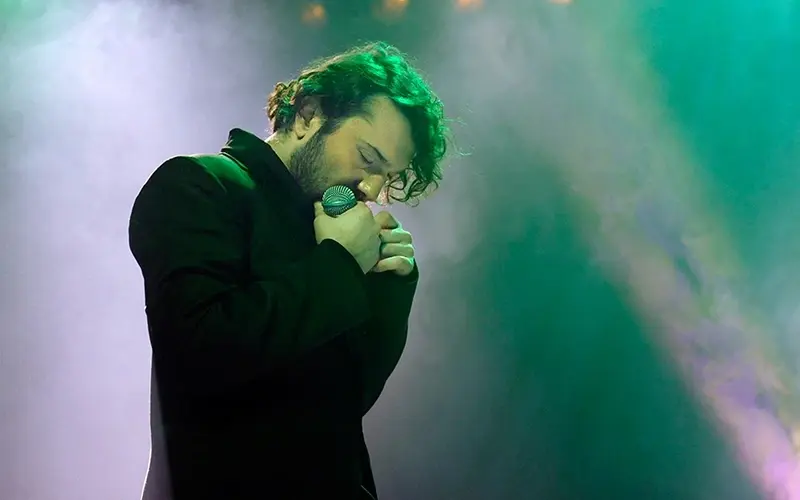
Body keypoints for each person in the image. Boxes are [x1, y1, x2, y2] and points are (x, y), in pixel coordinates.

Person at [128, 42, 449, 499]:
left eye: (389, 177)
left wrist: (389, 289)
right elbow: (201, 352)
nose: (373, 188)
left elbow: (346, 401)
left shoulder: (330, 233)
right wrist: (340, 264)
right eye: (368, 158)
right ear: (308, 115)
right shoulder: (200, 185)